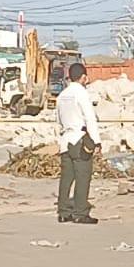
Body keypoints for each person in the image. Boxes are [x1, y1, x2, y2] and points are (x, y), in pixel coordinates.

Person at [55, 62, 101, 225]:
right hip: (79, 138)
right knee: (83, 176)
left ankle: (63, 211)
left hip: (65, 138)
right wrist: (96, 141)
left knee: (66, 178)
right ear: (83, 77)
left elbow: (58, 120)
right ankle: (80, 212)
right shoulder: (81, 94)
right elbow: (90, 118)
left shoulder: (62, 95)